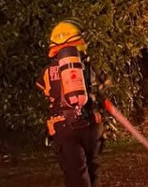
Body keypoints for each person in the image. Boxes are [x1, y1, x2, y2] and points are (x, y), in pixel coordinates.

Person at [42, 19, 103, 187]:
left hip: (63, 127)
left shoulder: (47, 72)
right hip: (91, 125)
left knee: (75, 175)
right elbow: (103, 84)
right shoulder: (89, 67)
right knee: (91, 170)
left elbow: (44, 90)